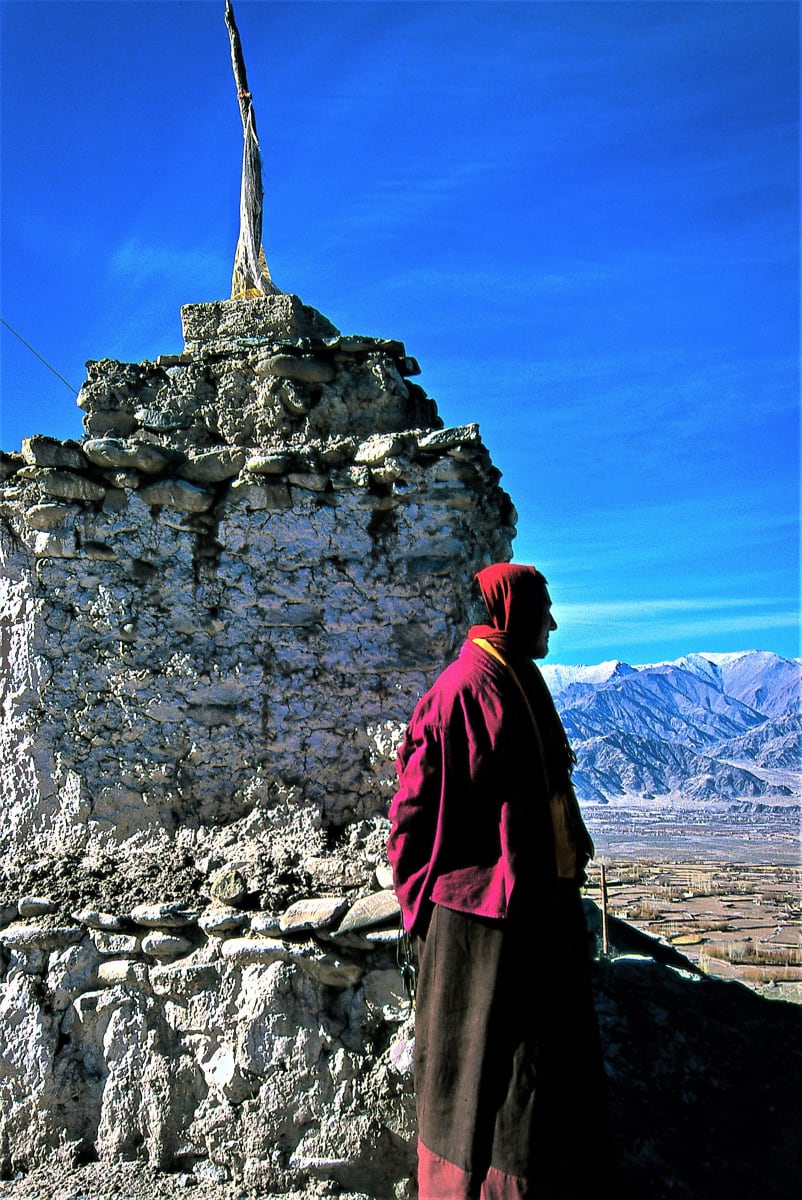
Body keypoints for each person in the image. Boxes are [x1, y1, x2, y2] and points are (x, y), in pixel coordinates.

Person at [387, 562, 610, 1200]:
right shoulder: (463, 689)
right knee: (479, 1080)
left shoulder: (516, 678)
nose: (554, 623)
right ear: (512, 610)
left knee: (534, 1082)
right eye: (545, 609)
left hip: (534, 914)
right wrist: (417, 910)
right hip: (480, 926)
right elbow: (413, 811)